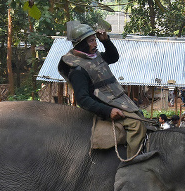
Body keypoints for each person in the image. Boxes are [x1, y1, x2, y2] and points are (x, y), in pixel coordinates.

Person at [58, 20, 147, 159]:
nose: (95, 44)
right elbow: (83, 99)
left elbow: (113, 57)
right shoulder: (77, 69)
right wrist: (108, 111)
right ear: (81, 43)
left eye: (95, 40)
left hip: (118, 100)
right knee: (136, 125)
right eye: (91, 41)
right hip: (104, 106)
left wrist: (106, 41)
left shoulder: (94, 57)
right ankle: (133, 165)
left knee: (142, 117)